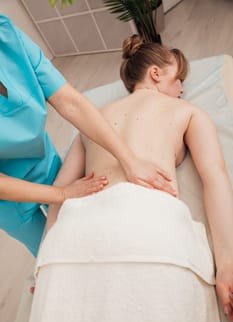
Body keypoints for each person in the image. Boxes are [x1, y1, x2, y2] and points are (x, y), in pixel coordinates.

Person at [22, 35, 233, 322]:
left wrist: (46, 262)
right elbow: (214, 177)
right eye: (180, 80)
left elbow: (60, 193)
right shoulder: (187, 111)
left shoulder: (91, 121)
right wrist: (227, 261)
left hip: (74, 234)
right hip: (148, 224)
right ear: (156, 74)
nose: (183, 89)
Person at [0, 15, 175, 257]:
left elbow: (70, 102)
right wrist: (61, 195)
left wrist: (129, 159)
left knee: (76, 228)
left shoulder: (6, 34)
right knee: (51, 253)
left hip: (42, 158)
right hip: (9, 199)